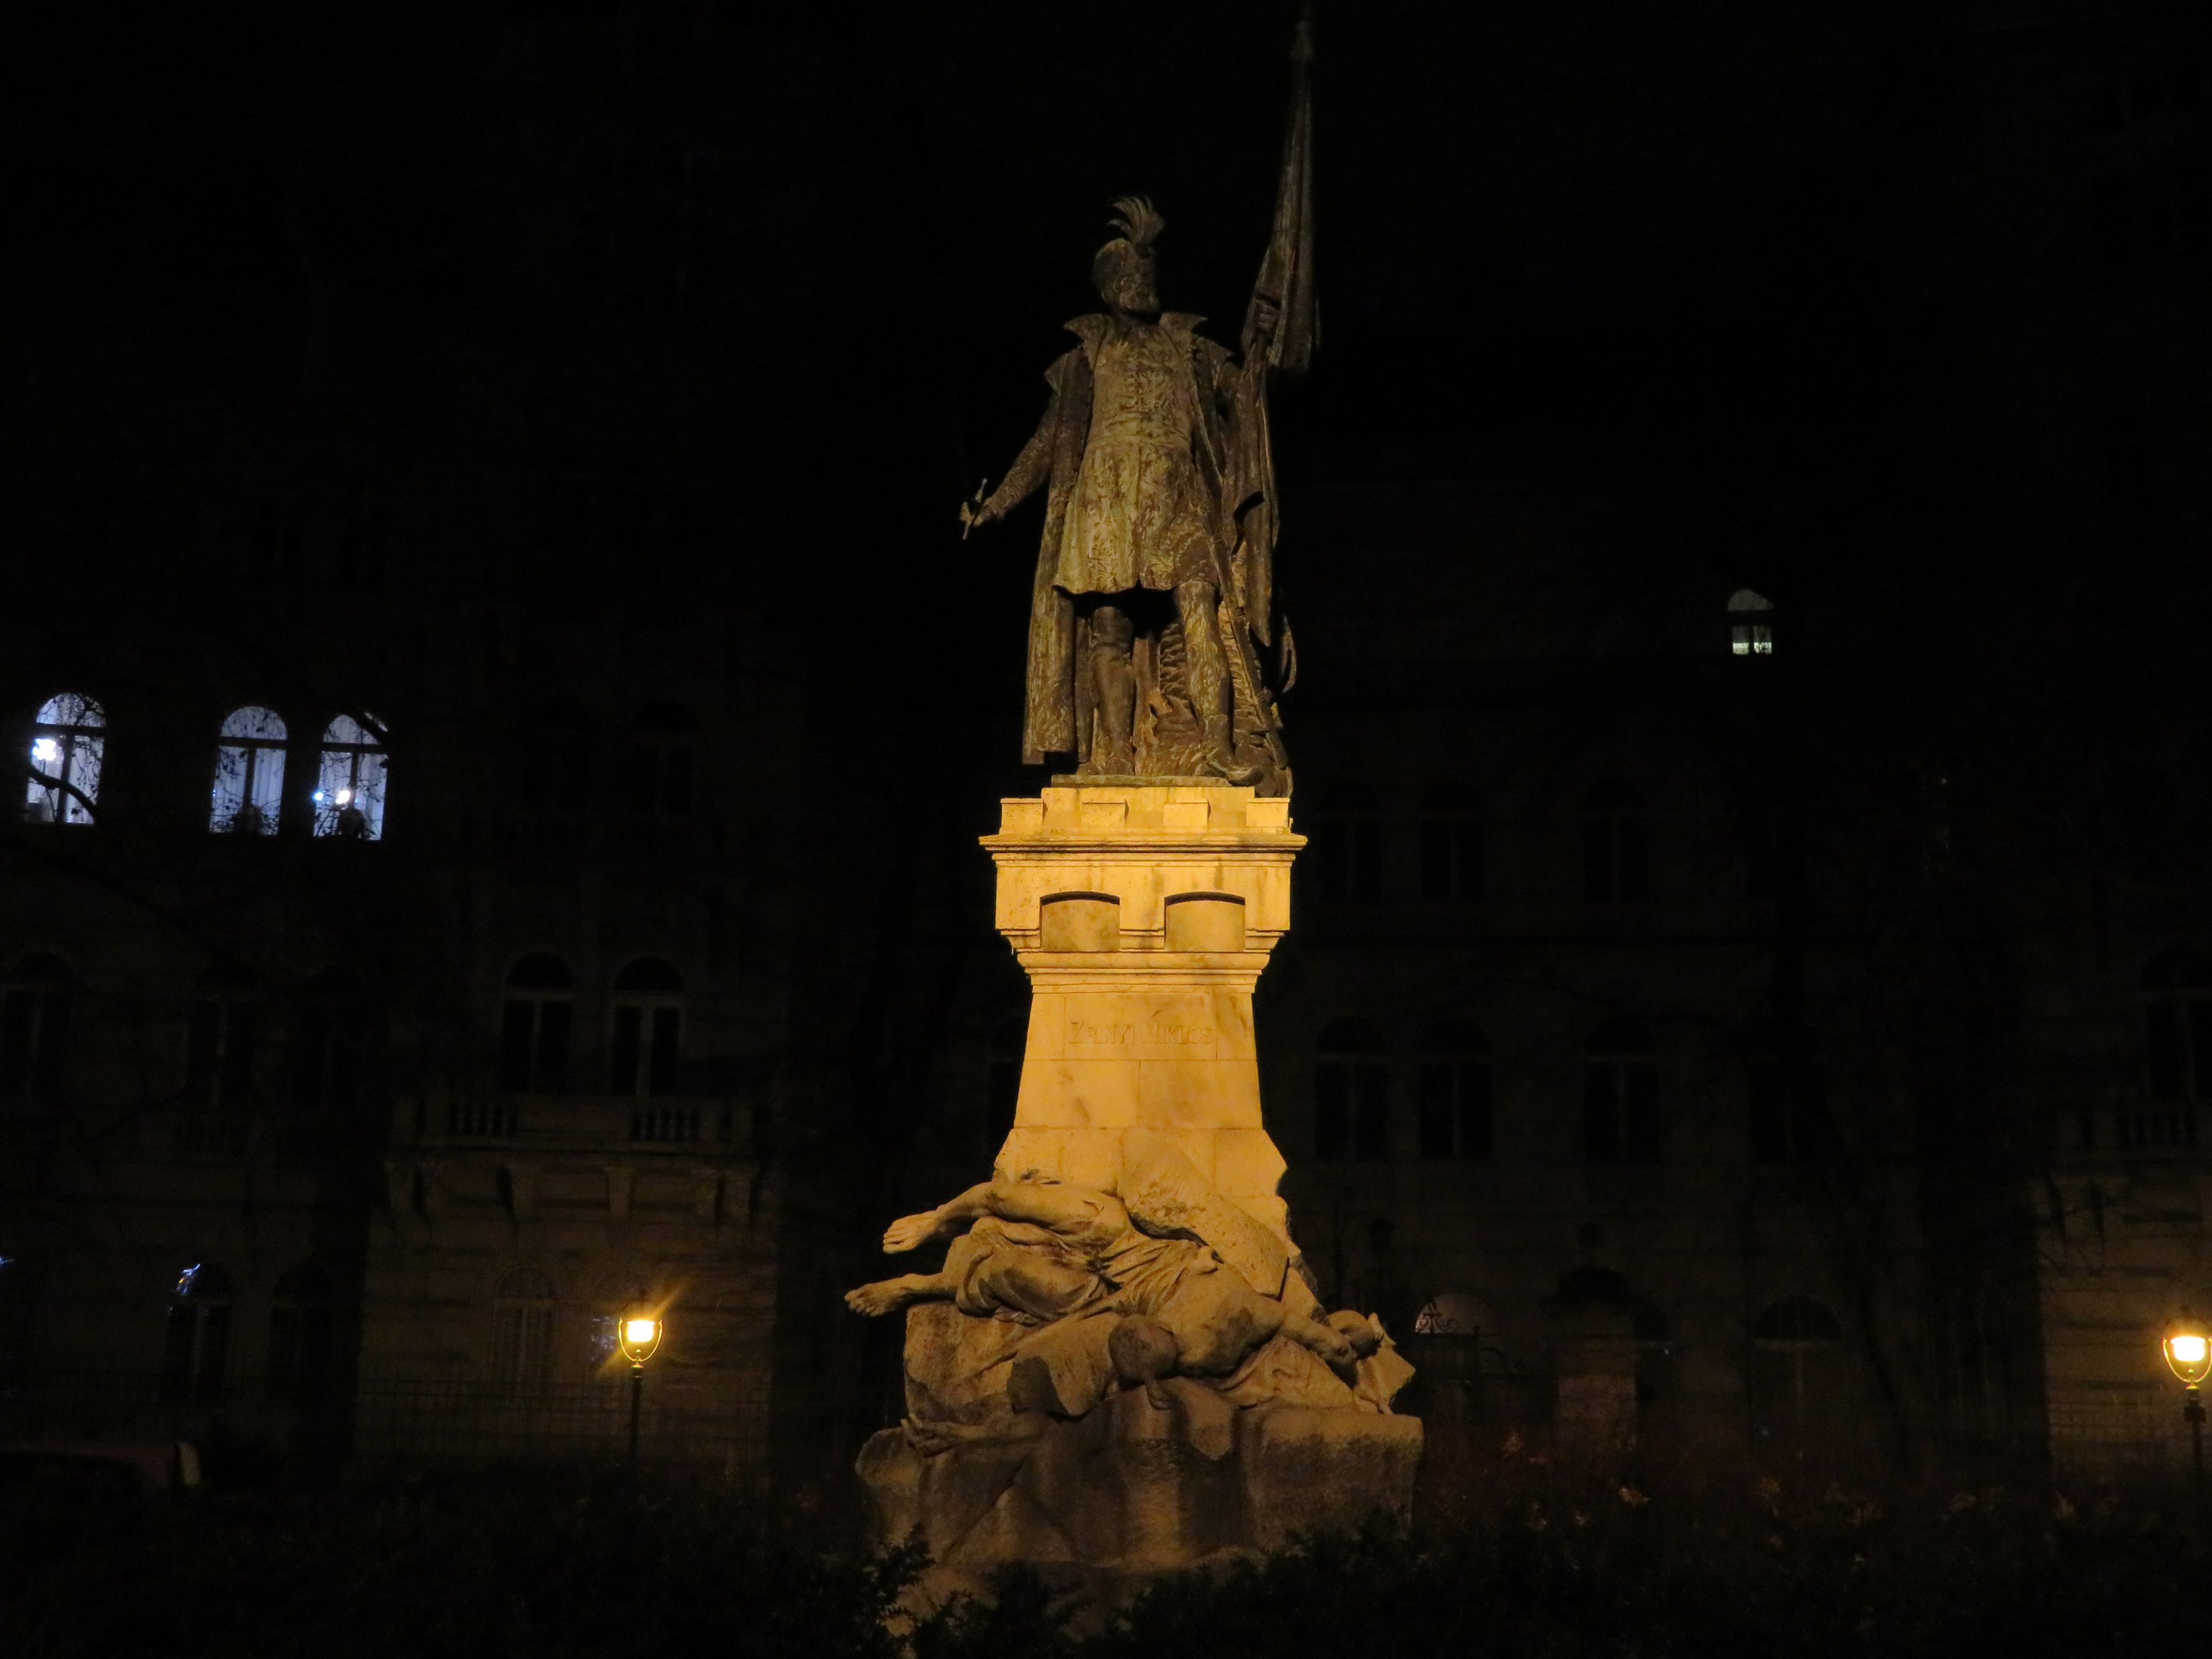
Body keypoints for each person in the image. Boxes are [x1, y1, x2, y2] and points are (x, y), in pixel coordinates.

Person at [961, 198, 1284, 786]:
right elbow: (1045, 442)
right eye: (1131, 274)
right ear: (1108, 287)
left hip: (1178, 497)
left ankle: (1219, 744)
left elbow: (1244, 394)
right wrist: (997, 505)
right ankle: (1111, 751)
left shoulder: (1190, 346)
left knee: (1200, 612)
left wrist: (1262, 338)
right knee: (1108, 628)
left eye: (1148, 271)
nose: (1143, 283)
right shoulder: (1086, 356)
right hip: (1105, 503)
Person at [845, 1172, 1368, 1382]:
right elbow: (995, 1195)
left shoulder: (1103, 1227)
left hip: (1124, 1292)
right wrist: (934, 1220)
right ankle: (918, 1283)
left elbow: (999, 1198)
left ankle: (918, 1285)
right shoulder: (1096, 1219)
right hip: (1131, 1282)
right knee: (1009, 1261)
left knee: (1009, 1271)